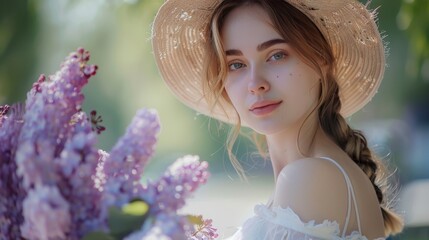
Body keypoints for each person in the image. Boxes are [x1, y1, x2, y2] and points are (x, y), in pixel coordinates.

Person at [152, 0, 404, 239]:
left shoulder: (311, 177)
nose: (255, 84)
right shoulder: (311, 174)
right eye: (236, 64)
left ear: (322, 59)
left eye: (276, 55)